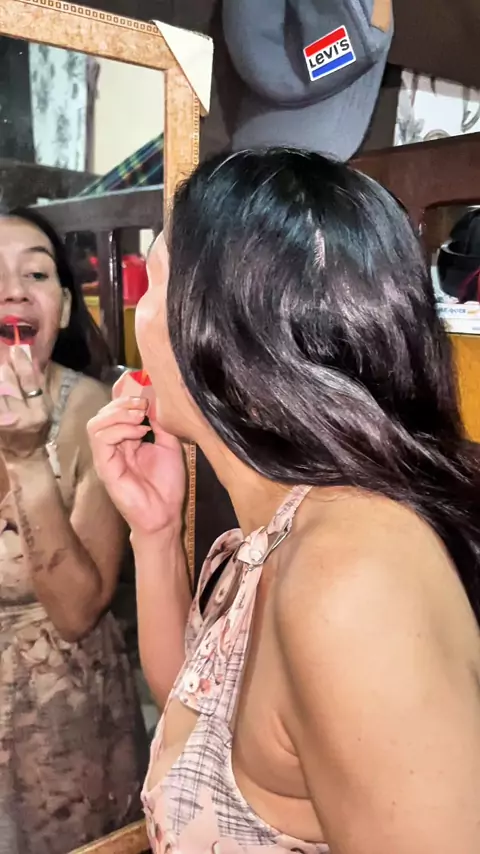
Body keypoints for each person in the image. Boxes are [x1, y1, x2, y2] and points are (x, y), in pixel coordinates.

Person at [88, 149, 480, 854]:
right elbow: (201, 727)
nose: (140, 312)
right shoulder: (268, 537)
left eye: (155, 279)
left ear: (216, 324)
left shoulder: (350, 576)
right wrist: (154, 531)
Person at [0, 206, 148, 854]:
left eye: (36, 274)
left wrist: (26, 457)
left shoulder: (94, 413)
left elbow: (78, 611)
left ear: (62, 307)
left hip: (59, 722)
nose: (14, 291)